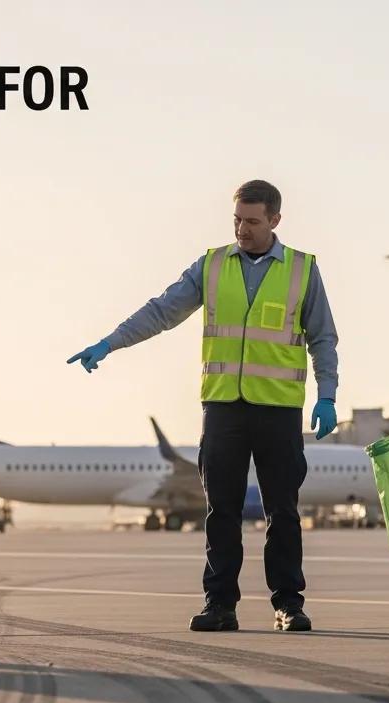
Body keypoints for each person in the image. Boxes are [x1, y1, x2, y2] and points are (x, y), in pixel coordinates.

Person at [68, 179, 340, 632]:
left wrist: (328, 394)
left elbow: (323, 338)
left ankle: (288, 604)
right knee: (221, 511)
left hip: (278, 409)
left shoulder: (302, 270)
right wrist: (110, 343)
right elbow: (162, 311)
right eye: (236, 219)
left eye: (252, 222)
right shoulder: (212, 266)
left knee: (283, 512)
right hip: (223, 408)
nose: (242, 229)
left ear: (275, 220)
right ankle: (220, 605)